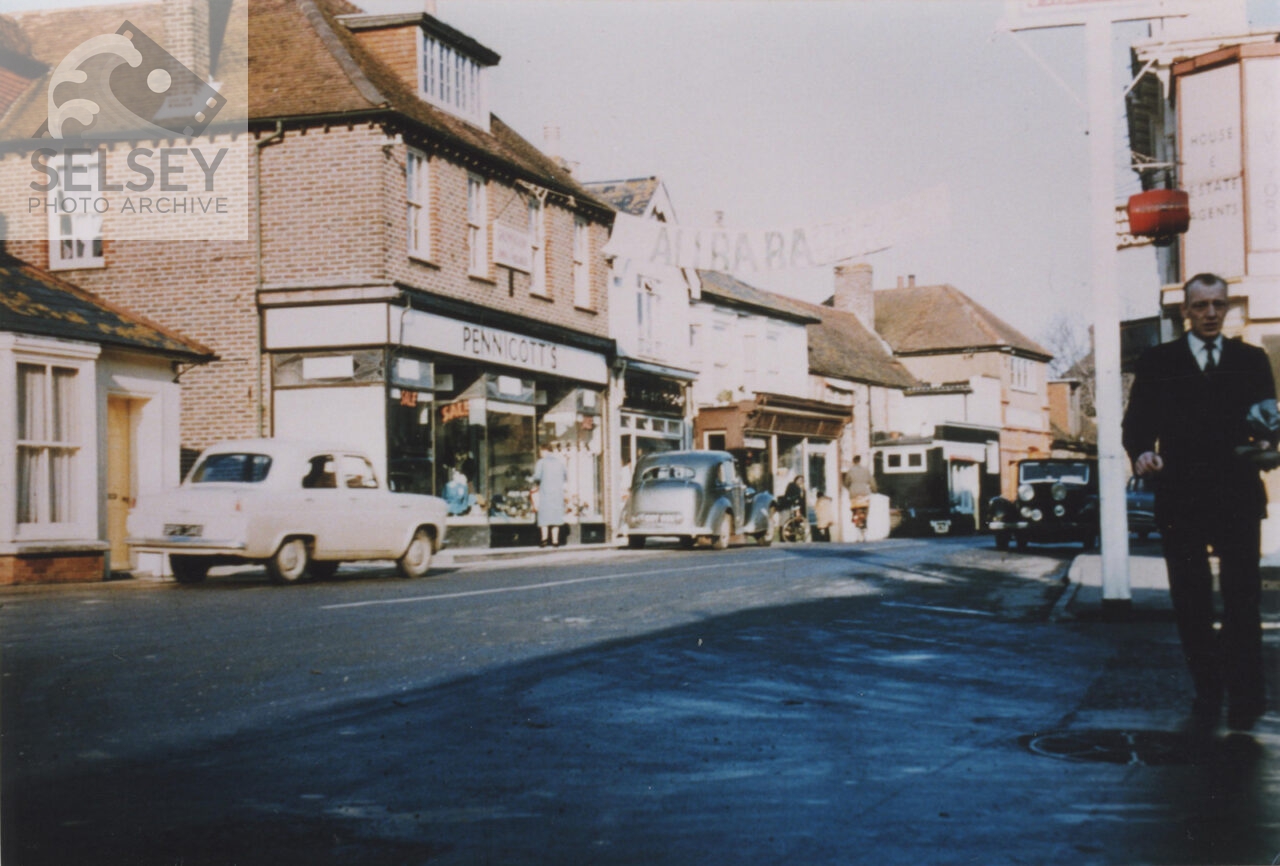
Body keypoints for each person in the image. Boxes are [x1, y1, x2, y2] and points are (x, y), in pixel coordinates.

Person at [1122, 273, 1276, 732]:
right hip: (1181, 497)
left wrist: (1268, 445)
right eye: (1201, 305)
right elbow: (1136, 426)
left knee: (1243, 600)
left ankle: (1246, 696)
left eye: (1218, 304)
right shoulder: (1159, 361)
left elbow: (1266, 421)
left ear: (1227, 308)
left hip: (1237, 495)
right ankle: (1207, 693)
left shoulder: (1251, 360)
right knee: (1190, 602)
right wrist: (1143, 452)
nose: (1211, 313)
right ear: (1184, 311)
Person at [531, 445, 568, 548]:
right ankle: (555, 541)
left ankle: (544, 540)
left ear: (544, 451)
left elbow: (537, 476)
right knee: (556, 518)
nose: (540, 454)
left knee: (544, 518)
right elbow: (565, 476)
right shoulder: (560, 462)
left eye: (540, 452)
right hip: (557, 494)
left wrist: (532, 479)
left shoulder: (541, 462)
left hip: (545, 493)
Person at [843, 455, 876, 535]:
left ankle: (855, 518)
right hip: (864, 493)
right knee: (865, 508)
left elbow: (846, 483)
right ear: (860, 461)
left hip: (853, 493)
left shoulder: (850, 471)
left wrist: (850, 488)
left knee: (854, 509)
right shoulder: (866, 470)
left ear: (853, 461)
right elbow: (872, 482)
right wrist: (874, 490)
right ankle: (865, 522)